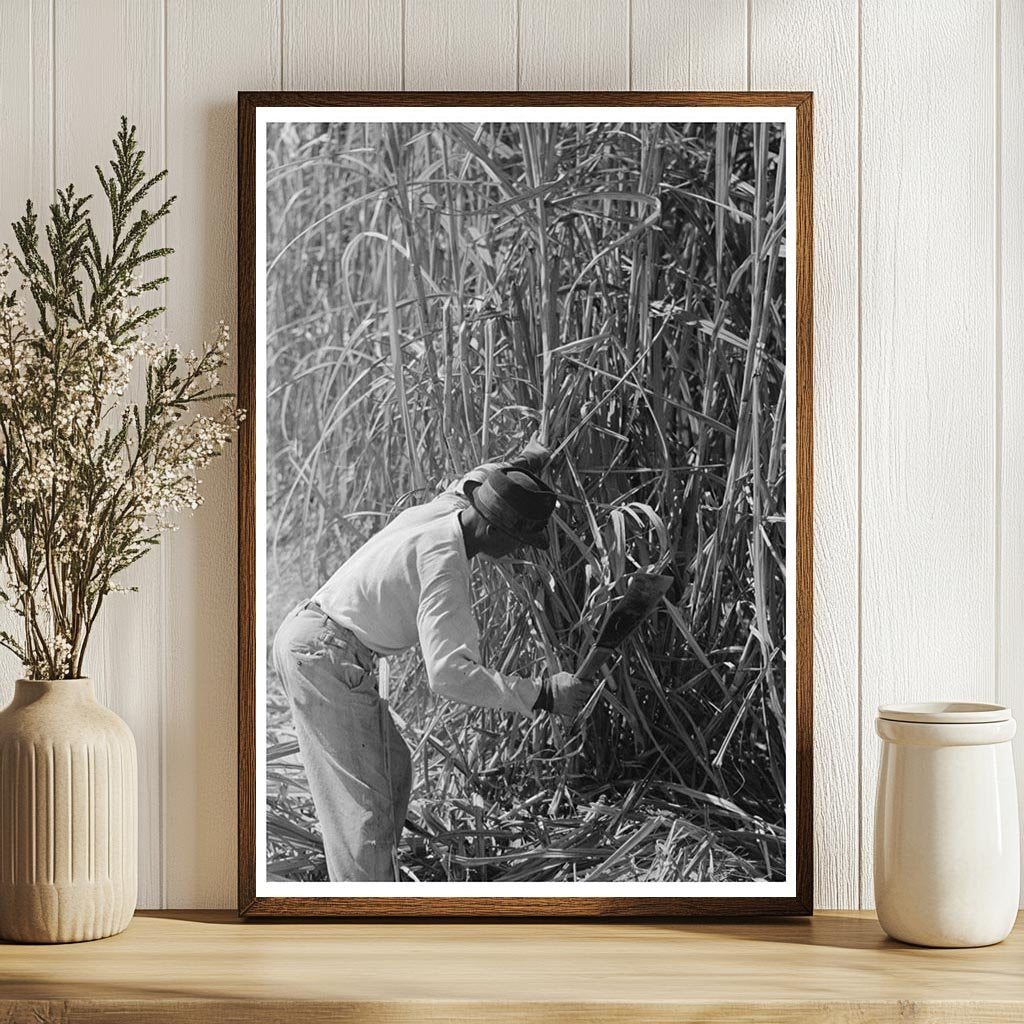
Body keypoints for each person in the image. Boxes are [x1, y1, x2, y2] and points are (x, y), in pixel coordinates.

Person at [272, 442, 591, 882]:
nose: (518, 552)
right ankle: (363, 917)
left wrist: (529, 458)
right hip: (327, 656)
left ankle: (370, 885)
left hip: (315, 639)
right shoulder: (445, 568)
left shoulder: (447, 510)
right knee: (365, 808)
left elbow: (478, 477)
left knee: (391, 770)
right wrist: (542, 694)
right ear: (499, 531)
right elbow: (449, 675)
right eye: (520, 540)